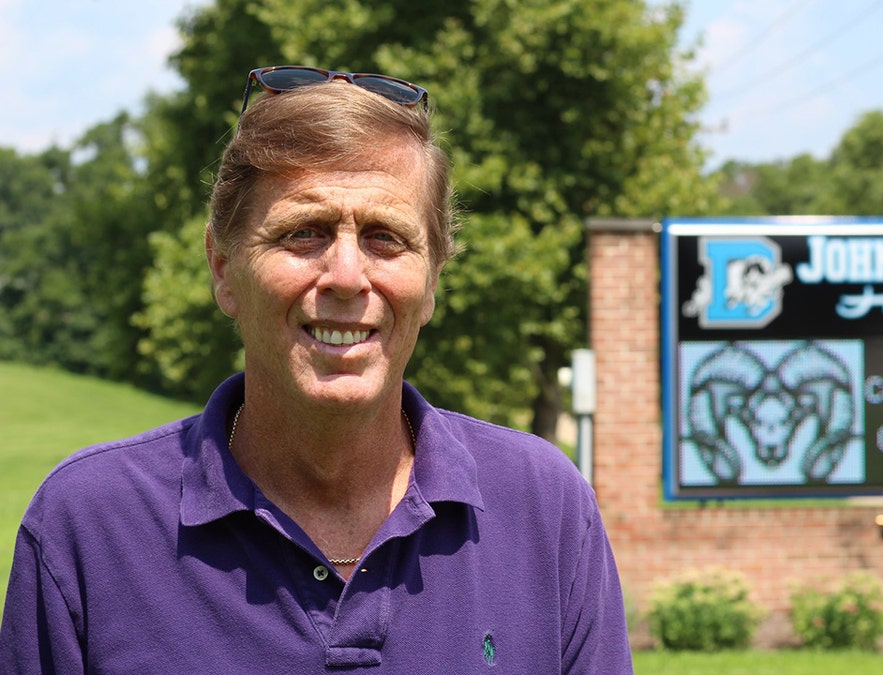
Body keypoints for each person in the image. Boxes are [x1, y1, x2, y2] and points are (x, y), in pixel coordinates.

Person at [0, 66, 634, 673]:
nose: (347, 277)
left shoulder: (544, 510)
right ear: (223, 268)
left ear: (433, 279)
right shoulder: (90, 526)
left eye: (386, 237)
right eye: (303, 233)